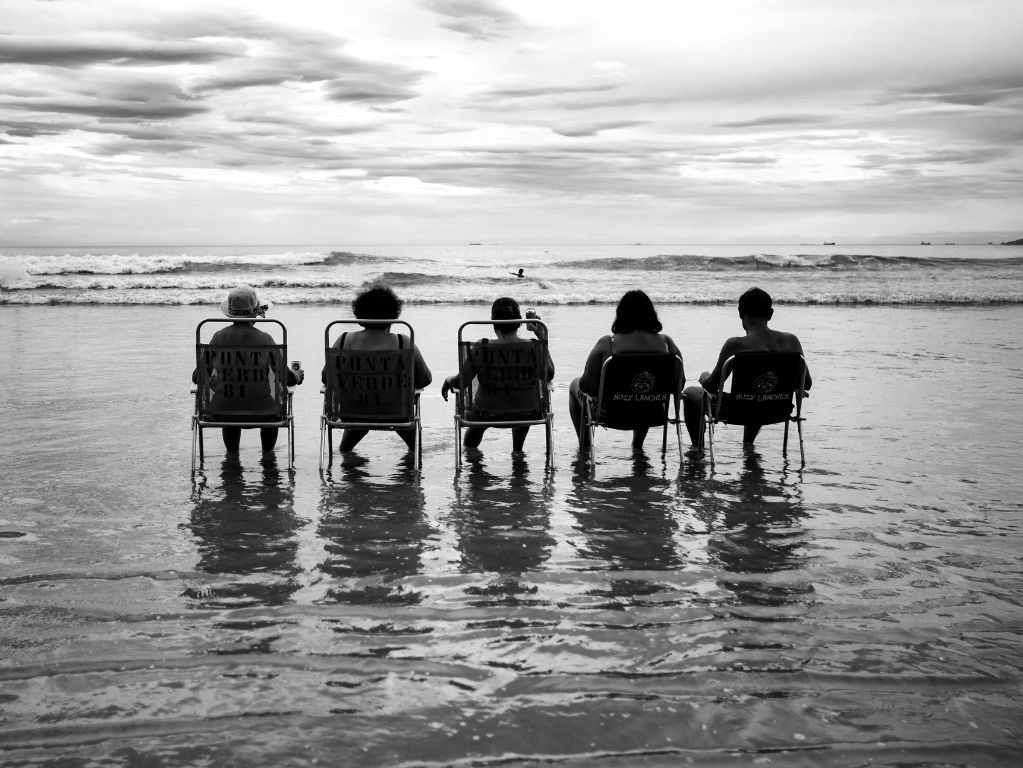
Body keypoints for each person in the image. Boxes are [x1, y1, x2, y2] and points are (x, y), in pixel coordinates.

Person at [682, 286, 812, 447]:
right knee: (758, 395)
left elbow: (712, 385)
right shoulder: (791, 341)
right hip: (779, 409)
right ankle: (748, 445)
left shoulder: (735, 344)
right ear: (770, 314)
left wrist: (704, 377)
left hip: (739, 411)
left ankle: (697, 449)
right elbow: (806, 383)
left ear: (741, 314)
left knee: (689, 393)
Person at [193, 285, 304, 454]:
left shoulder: (218, 338)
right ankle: (268, 455)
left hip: (222, 412)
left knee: (230, 401)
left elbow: (197, 377)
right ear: (255, 313)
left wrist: (215, 378)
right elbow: (287, 378)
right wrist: (297, 375)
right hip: (263, 413)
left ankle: (232, 456)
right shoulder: (265, 339)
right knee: (273, 410)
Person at [568, 290, 685, 449]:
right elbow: (679, 384)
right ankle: (637, 445)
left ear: (621, 315)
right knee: (645, 393)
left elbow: (587, 386)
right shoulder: (666, 344)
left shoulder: (608, 344)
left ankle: (585, 446)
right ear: (651, 314)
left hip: (611, 415)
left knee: (574, 385)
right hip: (653, 413)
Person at [326, 285, 432, 452]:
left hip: (353, 412)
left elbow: (326, 377)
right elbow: (425, 379)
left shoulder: (343, 340)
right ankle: (415, 453)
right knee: (414, 442)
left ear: (359, 314)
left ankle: (345, 453)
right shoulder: (403, 342)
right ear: (393, 315)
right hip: (396, 414)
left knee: (359, 420)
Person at [440, 297, 554, 453]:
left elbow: (461, 381)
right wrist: (542, 338)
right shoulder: (533, 346)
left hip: (486, 413)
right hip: (528, 413)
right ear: (519, 323)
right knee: (521, 400)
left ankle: (470, 453)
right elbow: (549, 374)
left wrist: (448, 380)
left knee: (476, 422)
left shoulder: (481, 347)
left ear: (494, 324)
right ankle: (517, 451)